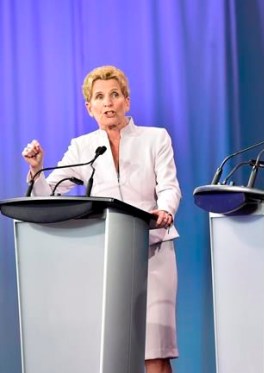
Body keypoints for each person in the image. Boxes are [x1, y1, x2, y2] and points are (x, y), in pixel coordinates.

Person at [21, 65, 182, 373]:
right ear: (89, 107)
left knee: (155, 353)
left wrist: (166, 210)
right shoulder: (83, 146)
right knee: (110, 351)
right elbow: (49, 191)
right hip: (106, 257)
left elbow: (169, 185)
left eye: (114, 95)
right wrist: (36, 168)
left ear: (127, 101)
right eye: (100, 97)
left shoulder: (155, 138)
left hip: (154, 250)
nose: (108, 103)